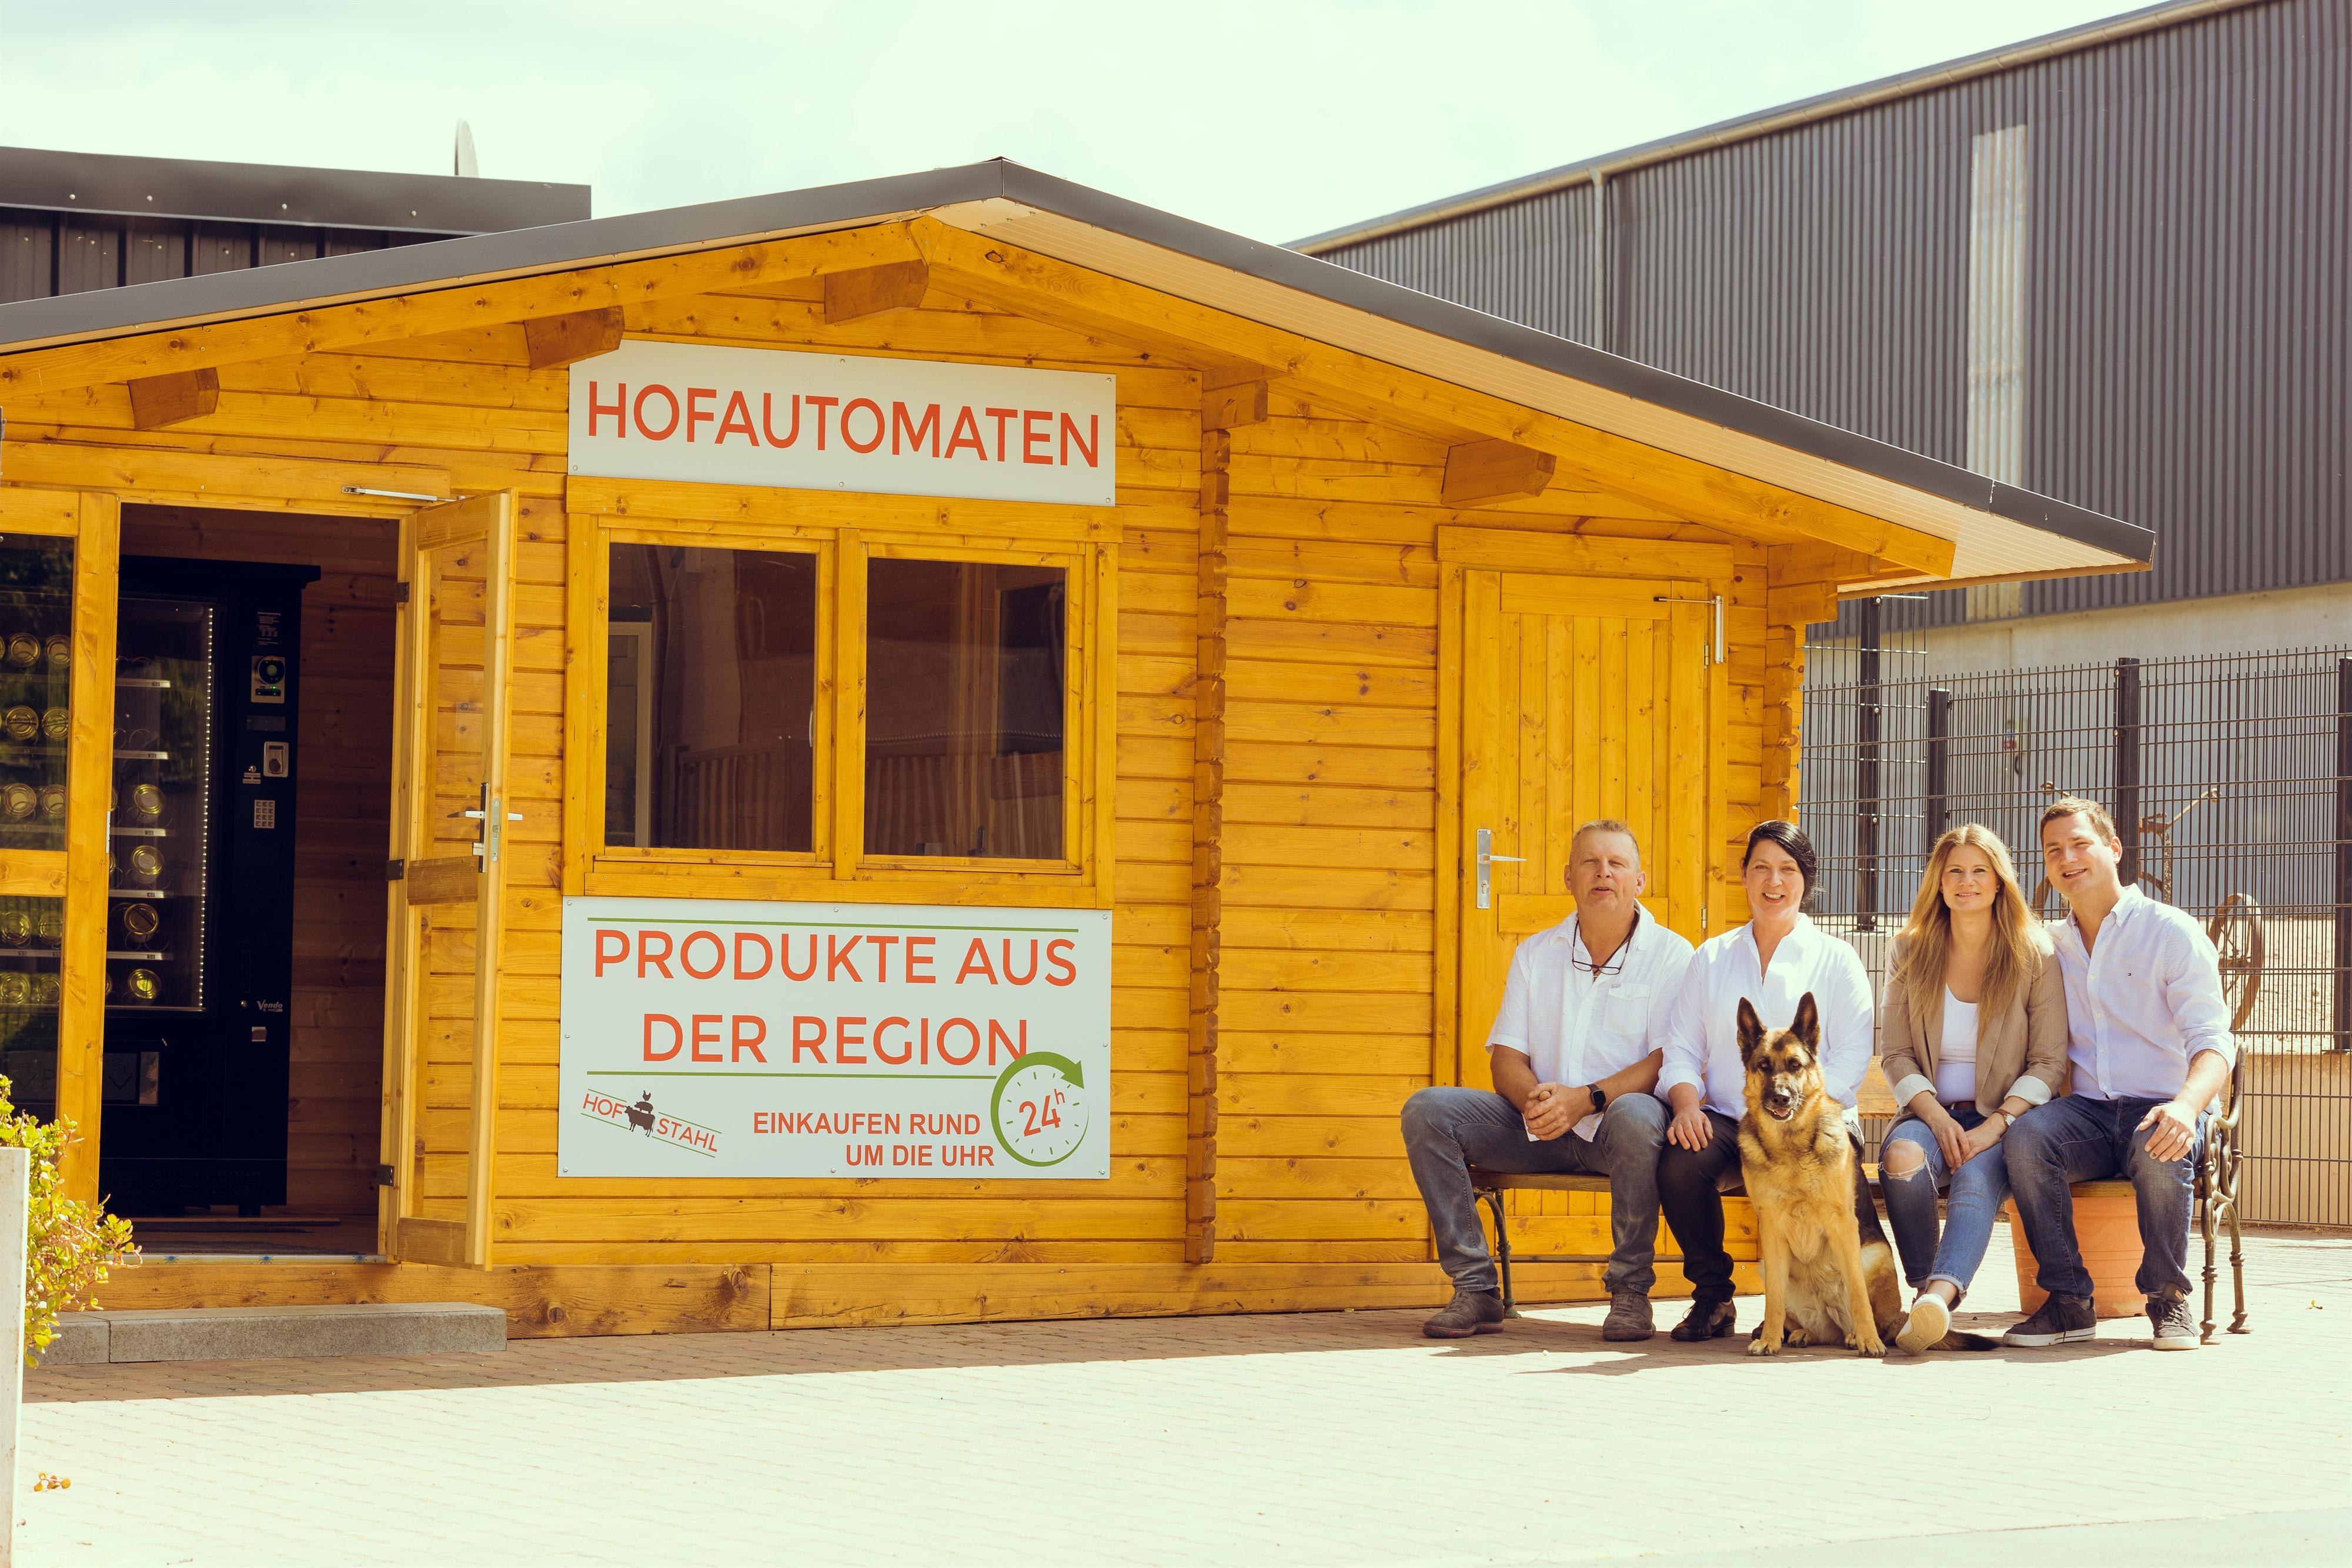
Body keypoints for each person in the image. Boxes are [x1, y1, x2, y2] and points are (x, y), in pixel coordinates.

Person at [1401, 820, 1695, 1340]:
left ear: (1639, 880)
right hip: (1539, 1127)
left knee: (1637, 1113)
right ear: (1568, 877)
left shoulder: (1673, 955)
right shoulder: (1536, 953)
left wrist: (1586, 1099)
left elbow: (1666, 1058)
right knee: (1428, 1110)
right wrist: (1535, 1100)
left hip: (1619, 1133)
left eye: (1617, 863)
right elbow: (1506, 1057)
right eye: (1590, 862)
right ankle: (1476, 1288)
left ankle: (1630, 1292)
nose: (1603, 873)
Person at [2001, 796, 2235, 1351]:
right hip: (2087, 1112)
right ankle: (2068, 1302)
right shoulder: (2049, 945)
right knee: (2027, 1138)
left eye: (2080, 844)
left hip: (2165, 1105)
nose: (2067, 858)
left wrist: (2186, 1106)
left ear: (2114, 848)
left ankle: (2167, 1298)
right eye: (2053, 851)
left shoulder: (2171, 931)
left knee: (2162, 1142)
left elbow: (2214, 1042)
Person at [1655, 820, 1874, 1342]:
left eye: (1787, 870)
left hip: (1818, 1122)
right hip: (1733, 1123)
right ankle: (1713, 1296)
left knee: (1841, 1189)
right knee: (1680, 1163)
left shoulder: (1838, 959)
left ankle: (1840, 1309)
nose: (1774, 882)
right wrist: (1686, 1106)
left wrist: (1807, 1110)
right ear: (1744, 875)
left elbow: (1852, 1054)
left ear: (1806, 879)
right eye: (1762, 868)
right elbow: (1680, 1048)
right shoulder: (1710, 958)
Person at [1876, 825, 2070, 1353]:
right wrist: (1937, 1118)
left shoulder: (2034, 953)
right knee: (1900, 1157)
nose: (1967, 881)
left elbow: (2049, 1061)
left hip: (2006, 1120)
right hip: (1930, 1113)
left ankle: (1937, 1300)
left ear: (2000, 881)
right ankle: (1925, 1294)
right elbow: (1896, 1053)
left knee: (1975, 1178)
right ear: (1938, 883)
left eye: (1980, 870)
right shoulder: (1909, 950)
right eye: (1955, 871)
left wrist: (1997, 1124)